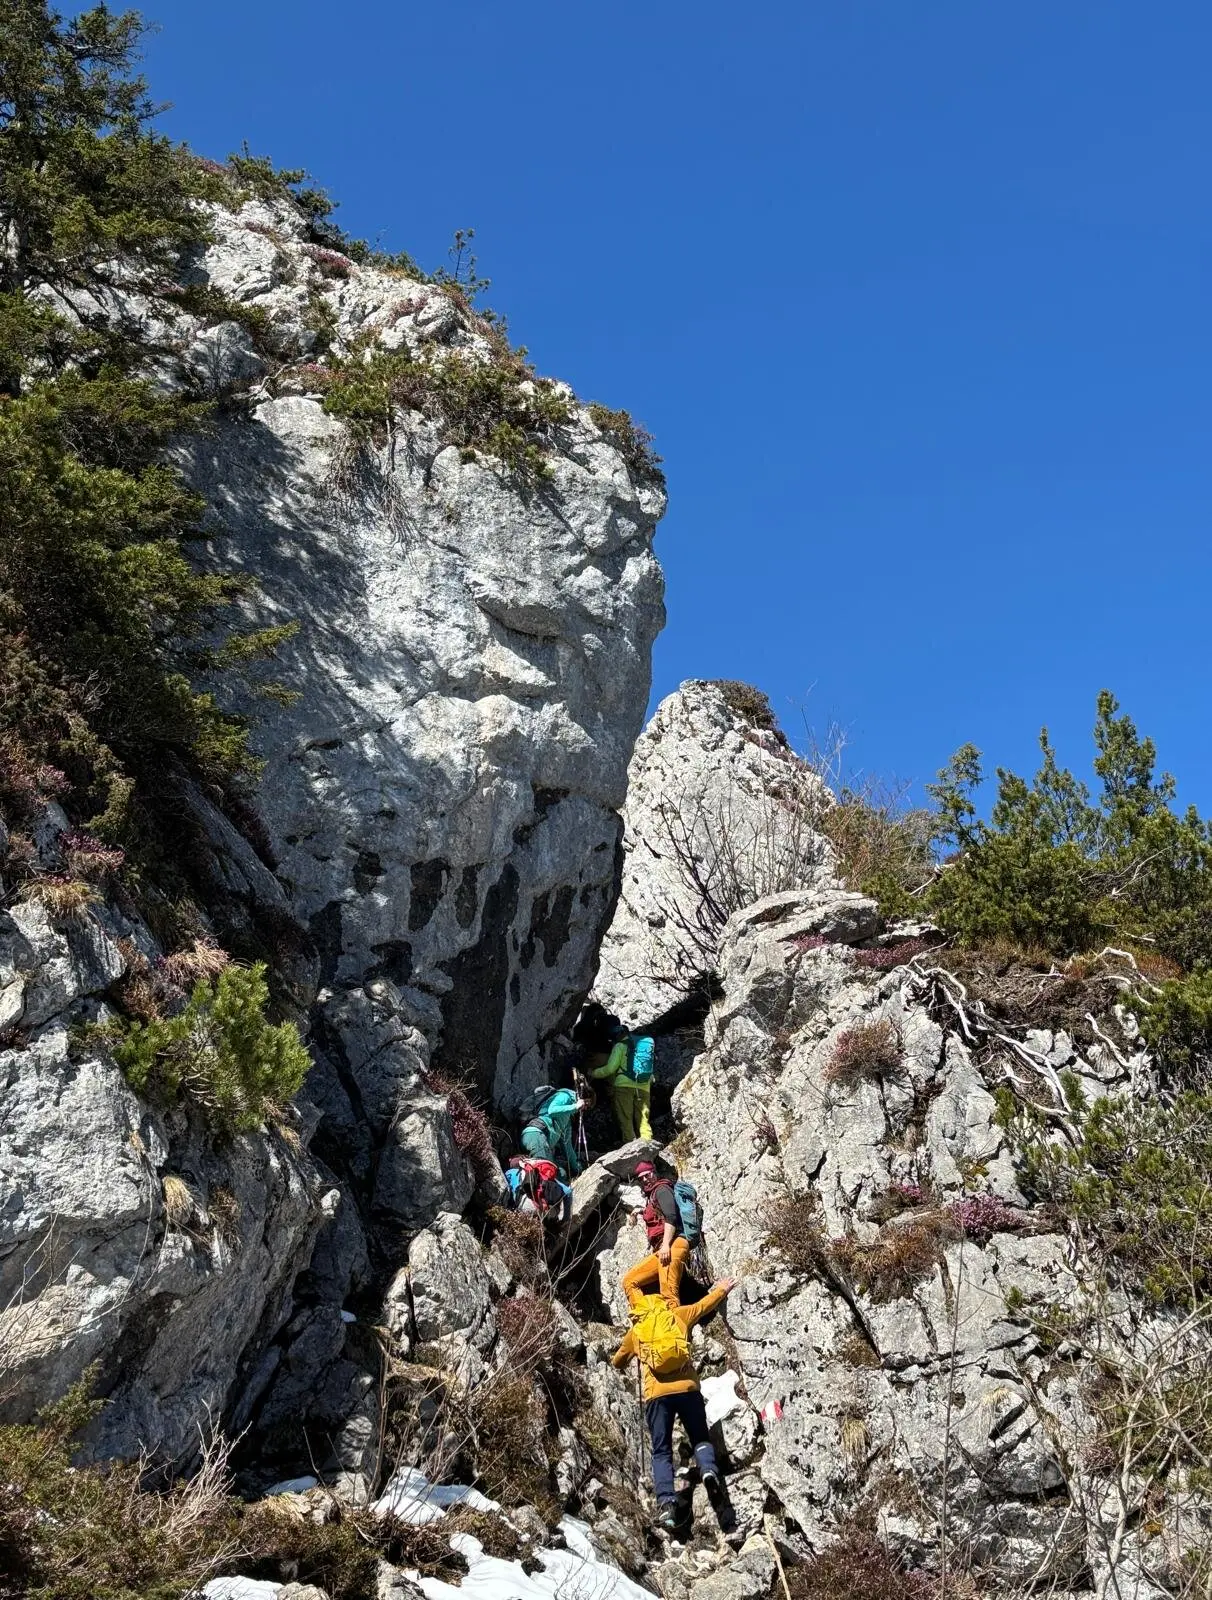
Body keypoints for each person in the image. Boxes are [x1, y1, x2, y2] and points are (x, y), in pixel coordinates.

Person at [610, 1274, 737, 1533]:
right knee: (700, 1437)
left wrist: (632, 1355)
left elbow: (618, 1361)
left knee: (662, 1450)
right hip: (688, 1388)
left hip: (658, 1396)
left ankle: (667, 1503)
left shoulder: (637, 1330)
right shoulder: (678, 1315)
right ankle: (709, 1472)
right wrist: (722, 1289)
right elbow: (704, 1306)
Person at [621, 1160, 690, 1307]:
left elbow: (671, 1217)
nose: (645, 1179)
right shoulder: (652, 1196)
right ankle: (646, 1317)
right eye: (641, 1178)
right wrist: (640, 1212)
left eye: (648, 1174)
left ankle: (674, 1328)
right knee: (630, 1281)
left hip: (673, 1244)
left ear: (655, 1172)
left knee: (669, 1295)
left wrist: (666, 1245)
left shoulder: (662, 1189)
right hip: (662, 1249)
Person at [582, 1019, 655, 1142]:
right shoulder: (643, 1045)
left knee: (626, 1119)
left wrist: (593, 1073)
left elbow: (610, 1069)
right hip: (644, 1086)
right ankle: (648, 1145)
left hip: (624, 1086)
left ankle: (632, 1149)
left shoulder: (620, 1046)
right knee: (643, 1119)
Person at [519, 1085, 591, 1177]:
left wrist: (579, 1169)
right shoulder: (565, 1095)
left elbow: (567, 1147)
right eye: (587, 1104)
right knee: (549, 1173)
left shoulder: (567, 1120)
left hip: (541, 1142)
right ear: (582, 1098)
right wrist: (575, 1106)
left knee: (561, 1174)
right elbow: (552, 1110)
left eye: (588, 1108)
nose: (585, 1108)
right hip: (535, 1135)